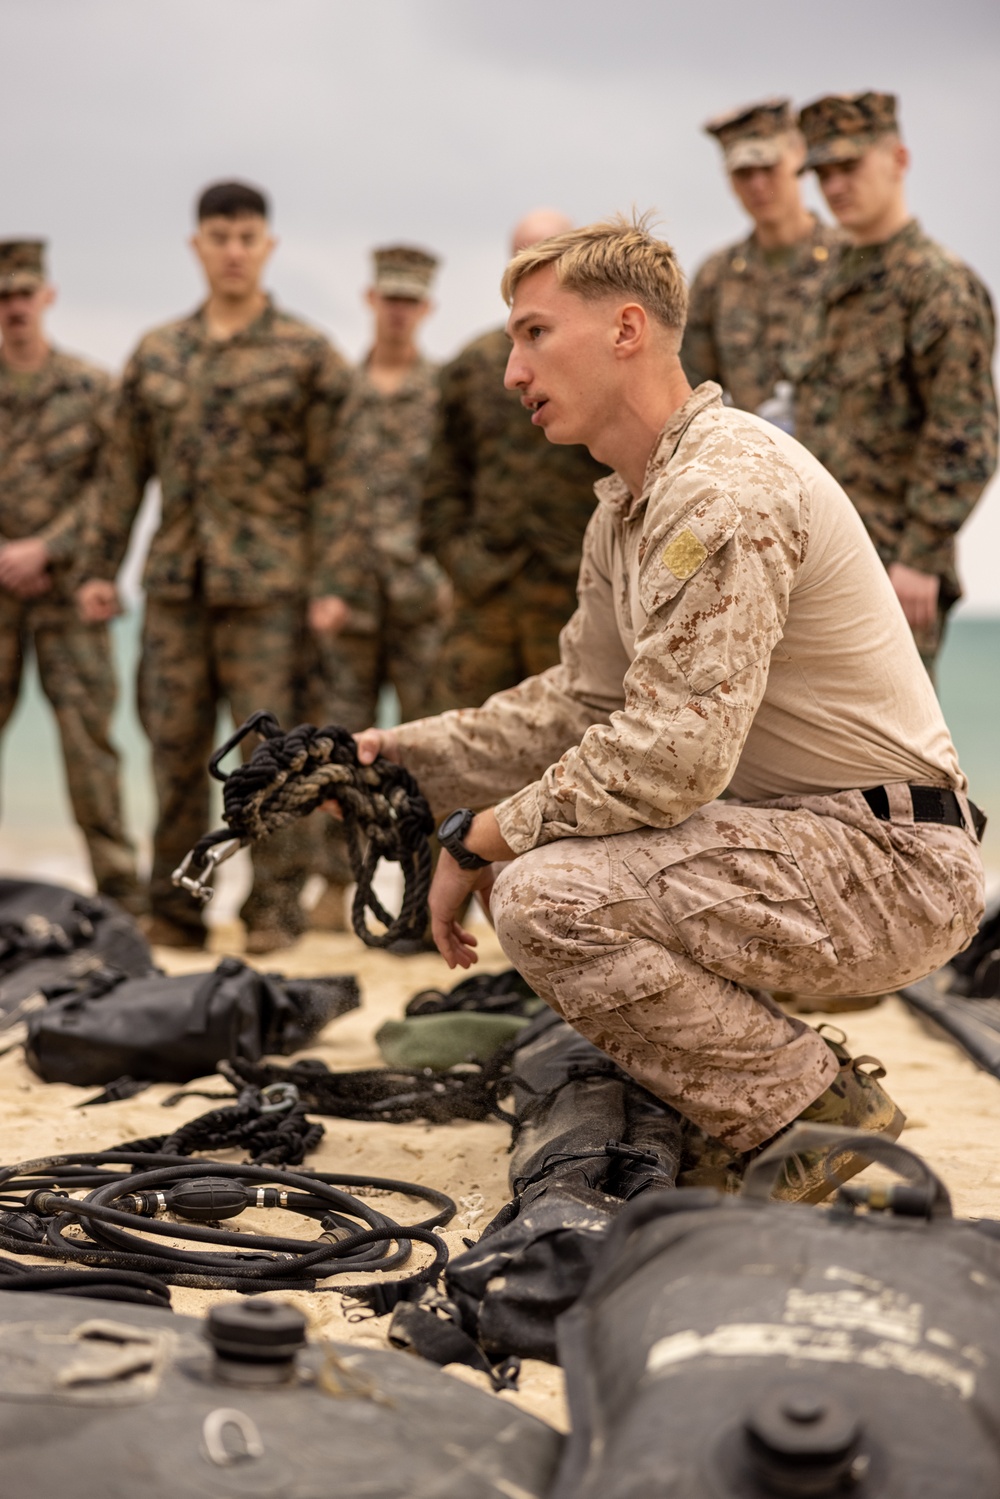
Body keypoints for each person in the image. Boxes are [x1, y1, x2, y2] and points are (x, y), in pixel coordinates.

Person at [346, 215, 985, 1202]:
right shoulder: (632, 505)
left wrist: (483, 836)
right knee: (548, 868)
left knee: (545, 895)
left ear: (626, 329)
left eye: (533, 333)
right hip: (805, 841)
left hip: (888, 866)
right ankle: (779, 1091)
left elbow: (671, 756)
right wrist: (391, 754)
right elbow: (579, 705)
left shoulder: (720, 488)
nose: (513, 371)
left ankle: (807, 1108)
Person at [77, 181, 350, 951]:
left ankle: (272, 909)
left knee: (271, 758)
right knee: (171, 747)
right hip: (175, 587)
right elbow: (123, 472)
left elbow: (340, 481)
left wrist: (330, 583)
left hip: (271, 588)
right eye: (220, 237)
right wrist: (102, 567)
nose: (233, 251)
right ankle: (175, 909)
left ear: (267, 248)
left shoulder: (307, 354)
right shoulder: (158, 353)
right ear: (198, 246)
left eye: (247, 238)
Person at [792, 92, 997, 673]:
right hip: (816, 565)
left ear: (898, 160)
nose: (834, 187)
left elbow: (968, 436)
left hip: (891, 571)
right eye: (823, 173)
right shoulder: (825, 284)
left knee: (889, 756)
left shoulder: (937, 286)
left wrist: (920, 557)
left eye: (850, 167)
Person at [306, 244, 447, 932]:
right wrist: (322, 585)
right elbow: (318, 493)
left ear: (427, 309)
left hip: (421, 599)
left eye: (411, 301)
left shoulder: (440, 393)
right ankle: (337, 885)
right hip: (349, 601)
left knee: (423, 750)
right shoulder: (339, 392)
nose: (398, 312)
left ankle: (426, 889)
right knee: (342, 753)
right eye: (389, 298)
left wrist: (446, 578)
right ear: (371, 301)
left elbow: (456, 492)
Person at [420, 209, 607, 711]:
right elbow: (441, 485)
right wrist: (463, 562)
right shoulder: (475, 366)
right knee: (459, 744)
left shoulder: (600, 362)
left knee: (575, 739)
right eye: (523, 257)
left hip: (576, 596)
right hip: (486, 600)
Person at [0, 240, 140, 910]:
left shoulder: (91, 387)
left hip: (67, 591)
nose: (14, 307)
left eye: (24, 294)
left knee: (89, 744)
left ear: (46, 297)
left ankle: (118, 889)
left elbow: (110, 490)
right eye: (3, 297)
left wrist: (45, 549)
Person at [681, 98, 841, 426]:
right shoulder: (717, 277)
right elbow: (689, 391)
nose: (757, 185)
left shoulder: (849, 262)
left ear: (798, 159)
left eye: (768, 169)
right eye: (743, 173)